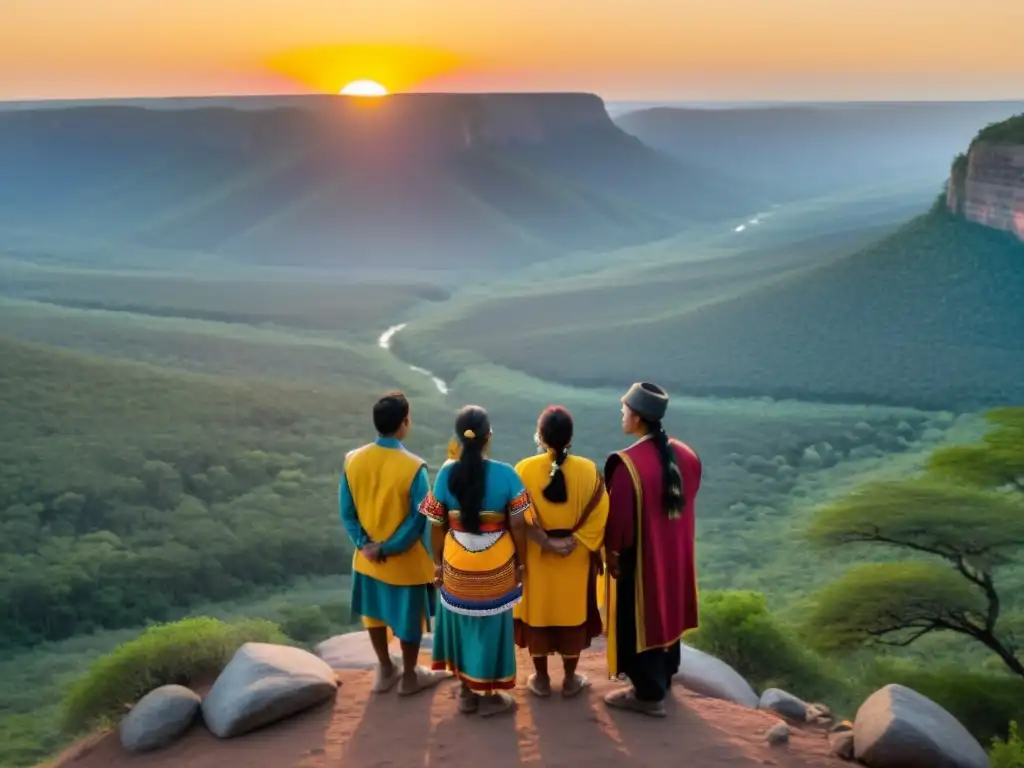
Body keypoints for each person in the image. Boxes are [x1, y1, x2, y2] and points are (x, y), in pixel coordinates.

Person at [419, 405, 531, 717]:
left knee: (462, 624)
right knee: (492, 627)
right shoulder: (507, 474)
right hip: (497, 569)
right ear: (488, 437)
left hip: (457, 567)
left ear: (459, 438)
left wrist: (439, 565)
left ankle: (467, 692)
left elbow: (435, 523)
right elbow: (520, 525)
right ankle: (490, 694)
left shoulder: (445, 473)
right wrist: (521, 564)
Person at [602, 382, 702, 717]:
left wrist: (612, 555)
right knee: (667, 609)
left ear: (638, 417)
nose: (621, 414)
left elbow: (620, 526)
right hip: (675, 553)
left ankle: (647, 693)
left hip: (642, 560)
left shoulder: (628, 465)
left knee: (639, 619)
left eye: (625, 409)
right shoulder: (686, 455)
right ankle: (665, 674)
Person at [339, 391, 448, 696]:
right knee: (410, 620)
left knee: (373, 614)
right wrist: (389, 548)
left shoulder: (353, 459)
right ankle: (411, 676)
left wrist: (365, 544)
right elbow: (419, 521)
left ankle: (385, 669)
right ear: (405, 423)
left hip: (367, 560)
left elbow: (347, 512)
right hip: (405, 565)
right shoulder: (414, 468)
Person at [513, 406, 609, 698]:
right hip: (575, 556)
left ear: (540, 437)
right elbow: (601, 514)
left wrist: (545, 542)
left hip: (535, 559)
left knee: (538, 612)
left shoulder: (524, 469)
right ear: (570, 438)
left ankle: (541, 679)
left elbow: (517, 517)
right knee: (572, 613)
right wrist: (574, 541)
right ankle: (569, 679)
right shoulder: (589, 470)